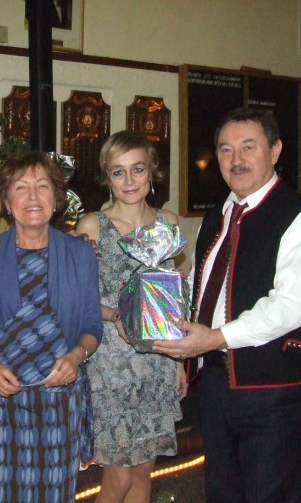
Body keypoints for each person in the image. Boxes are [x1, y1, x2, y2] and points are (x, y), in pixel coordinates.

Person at [153, 108, 301, 502]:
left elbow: (291, 307)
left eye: (248, 147)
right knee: (223, 491)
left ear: (275, 151)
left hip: (274, 389)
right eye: (226, 149)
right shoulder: (217, 216)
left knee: (271, 493)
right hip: (216, 384)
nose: (236, 159)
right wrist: (185, 357)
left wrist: (215, 338)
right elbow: (202, 291)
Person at [0, 151, 103, 502]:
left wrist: (76, 356)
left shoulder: (80, 254)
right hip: (1, 400)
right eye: (20, 187)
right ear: (6, 202)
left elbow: (91, 324)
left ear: (56, 200)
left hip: (58, 400)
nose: (32, 196)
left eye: (42, 186)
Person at [75, 131, 187, 503]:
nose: (129, 180)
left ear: (151, 172)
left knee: (142, 476)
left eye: (137, 169)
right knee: (118, 480)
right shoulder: (92, 226)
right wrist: (115, 315)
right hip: (111, 364)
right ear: (107, 177)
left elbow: (169, 296)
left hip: (156, 360)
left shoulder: (167, 221)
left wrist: (178, 361)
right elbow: (77, 300)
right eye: (118, 172)